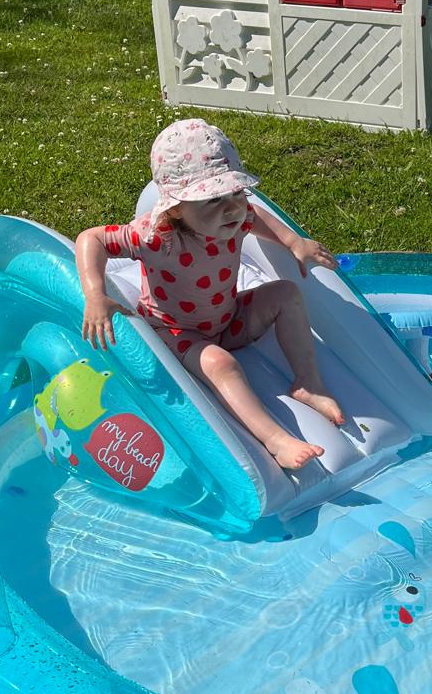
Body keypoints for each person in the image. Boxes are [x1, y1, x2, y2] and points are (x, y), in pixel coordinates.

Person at [76, 118, 343, 470]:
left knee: (286, 293)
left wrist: (294, 242)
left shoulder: (237, 216)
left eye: (236, 192)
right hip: (177, 332)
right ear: (175, 209)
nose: (232, 207)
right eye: (213, 199)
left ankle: (308, 383)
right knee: (221, 364)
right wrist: (95, 294)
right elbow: (91, 238)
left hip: (229, 318)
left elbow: (256, 216)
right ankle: (276, 439)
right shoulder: (155, 237)